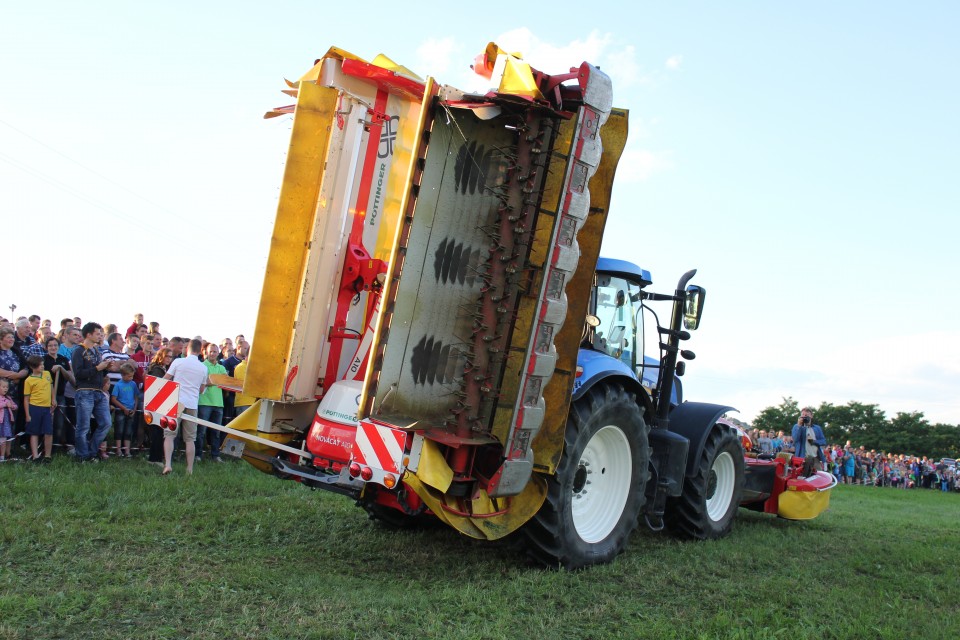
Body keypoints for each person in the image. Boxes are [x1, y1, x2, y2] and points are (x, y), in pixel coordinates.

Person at [72, 322, 117, 463]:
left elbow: (98, 371)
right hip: (85, 391)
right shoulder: (79, 351)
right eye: (97, 333)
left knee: (106, 423)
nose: (100, 336)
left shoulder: (97, 351)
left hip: (99, 392)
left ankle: (90, 452)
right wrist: (98, 368)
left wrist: (105, 368)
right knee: (83, 426)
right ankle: (83, 456)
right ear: (88, 334)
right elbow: (78, 373)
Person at [162, 339, 207, 475]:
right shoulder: (203, 368)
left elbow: (165, 379)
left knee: (169, 435)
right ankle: (189, 469)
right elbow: (201, 389)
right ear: (200, 351)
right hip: (192, 404)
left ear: (187, 349)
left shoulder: (178, 362)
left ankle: (168, 464)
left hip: (176, 401)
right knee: (190, 439)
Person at [43, 336, 75, 451]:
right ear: (46, 347)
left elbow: (71, 379)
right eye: (50, 345)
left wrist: (61, 368)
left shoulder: (63, 359)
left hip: (60, 395)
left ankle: (55, 447)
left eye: (55, 345)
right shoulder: (43, 360)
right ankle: (45, 447)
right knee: (47, 422)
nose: (53, 347)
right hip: (46, 395)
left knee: (59, 423)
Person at [23, 355, 55, 462]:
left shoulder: (47, 374)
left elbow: (51, 387)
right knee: (34, 432)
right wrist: (27, 415)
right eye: (40, 365)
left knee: (48, 432)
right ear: (33, 366)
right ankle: (35, 456)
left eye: (43, 364)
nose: (42, 366)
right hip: (34, 407)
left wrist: (53, 399)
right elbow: (26, 399)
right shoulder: (29, 380)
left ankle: (47, 456)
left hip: (46, 408)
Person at [146, 348, 174, 465]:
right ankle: (155, 459)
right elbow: (158, 387)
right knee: (157, 432)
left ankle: (155, 456)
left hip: (160, 403)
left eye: (171, 357)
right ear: (161, 356)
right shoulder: (157, 369)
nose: (169, 359)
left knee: (159, 432)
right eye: (167, 356)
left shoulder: (163, 369)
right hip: (156, 404)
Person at [111, 363, 140, 458]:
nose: (131, 378)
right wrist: (123, 408)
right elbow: (113, 399)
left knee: (128, 431)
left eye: (132, 376)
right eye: (129, 376)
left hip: (131, 410)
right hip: (120, 410)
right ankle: (118, 450)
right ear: (123, 375)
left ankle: (127, 451)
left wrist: (134, 409)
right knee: (119, 430)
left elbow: (136, 397)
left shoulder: (133, 384)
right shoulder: (118, 385)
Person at [0, 378, 17, 462]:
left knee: (4, 439)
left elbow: (15, 405)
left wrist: (12, 406)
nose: (6, 388)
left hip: (6, 423)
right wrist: (5, 404)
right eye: (3, 387)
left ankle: (2, 457)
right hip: (0, 422)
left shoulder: (8, 398)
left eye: (7, 387)